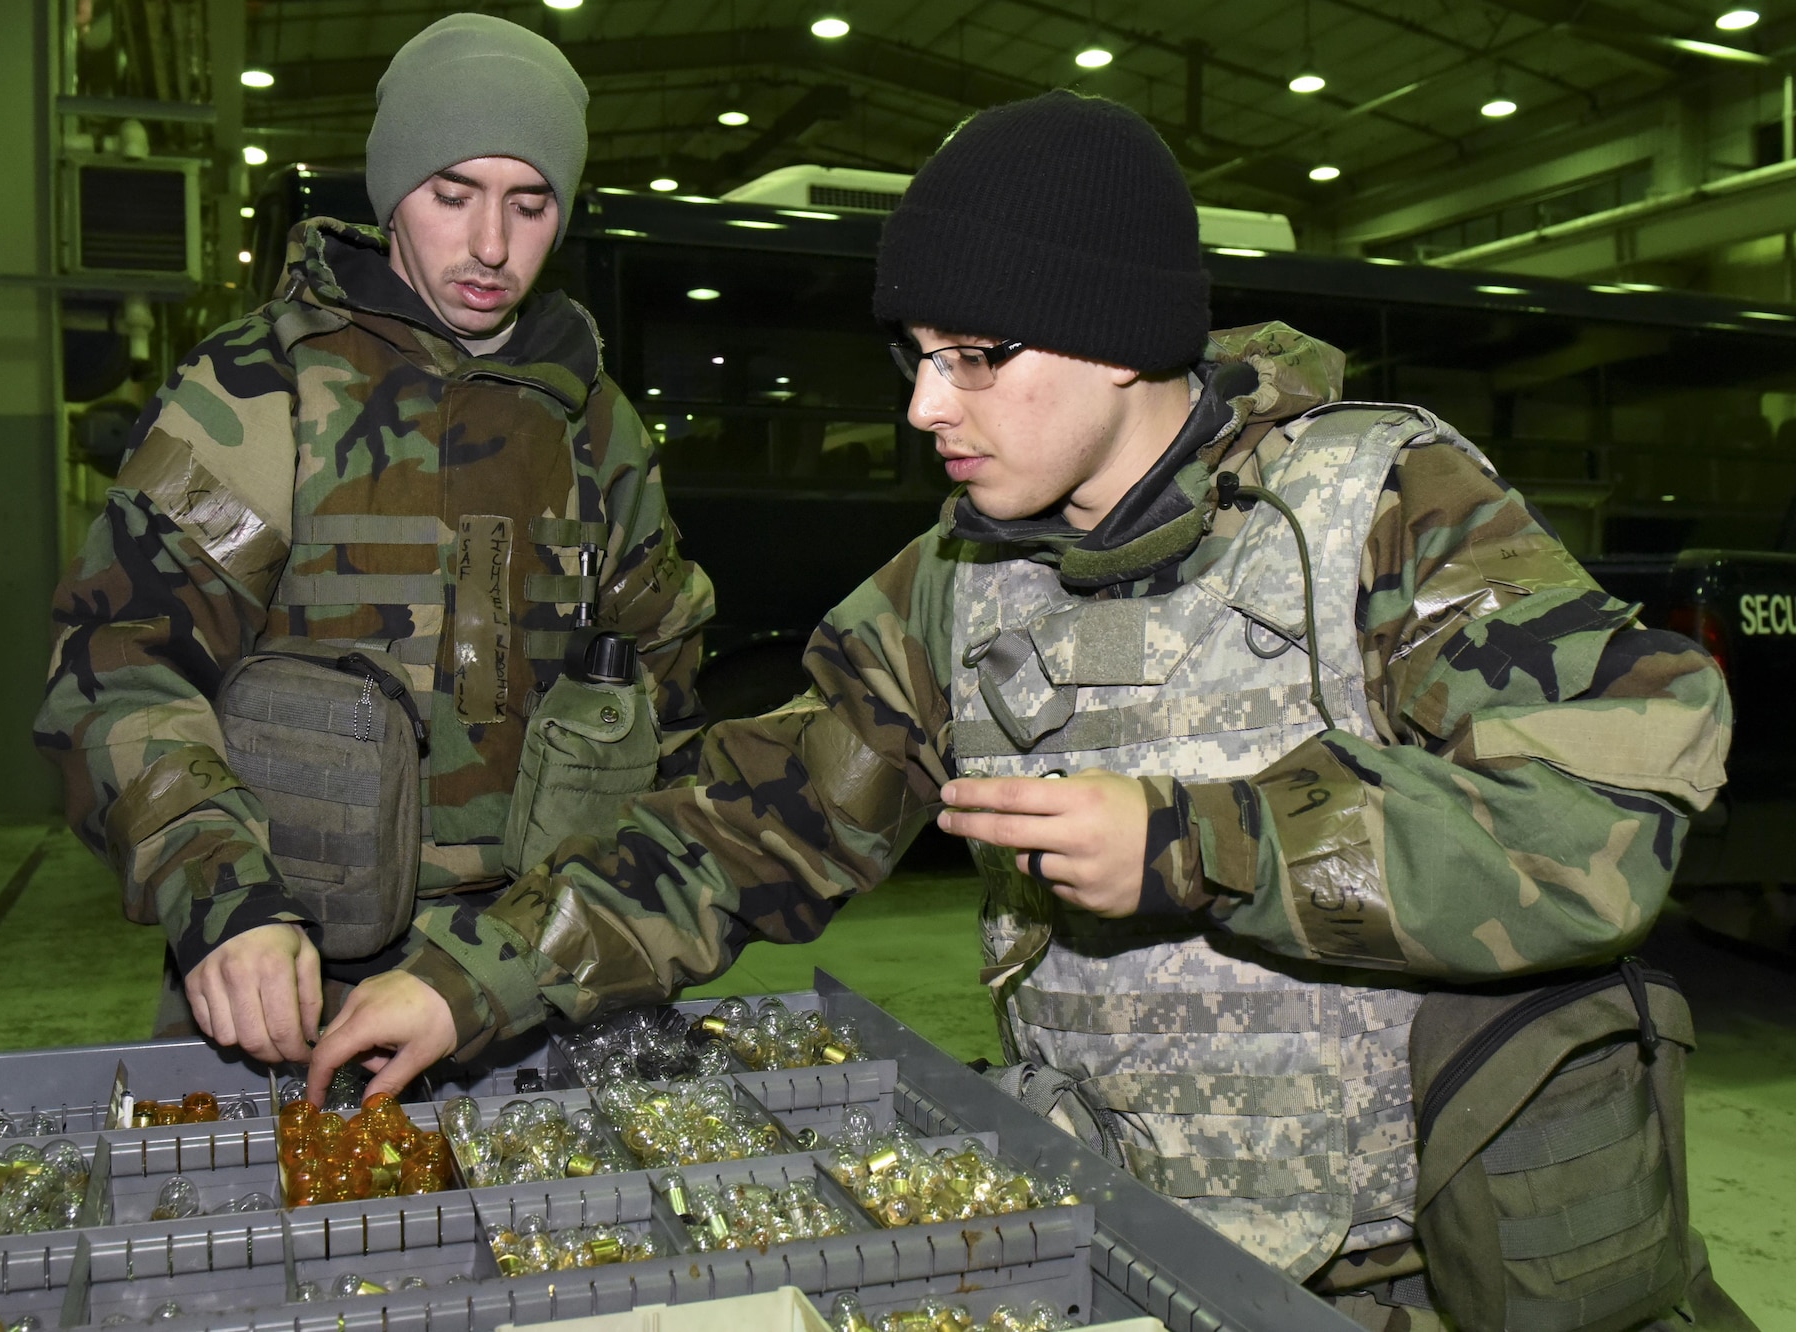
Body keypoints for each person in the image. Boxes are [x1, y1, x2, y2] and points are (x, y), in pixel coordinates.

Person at [307, 92, 1738, 1323]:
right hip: (1107, 1245)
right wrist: (475, 972)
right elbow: (751, 825)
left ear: (1116, 338)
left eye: (976, 357)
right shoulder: (959, 582)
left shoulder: (1376, 511)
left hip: (1397, 1279)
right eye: (916, 355)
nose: (928, 405)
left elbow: (1604, 819)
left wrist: (1204, 843)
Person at [34, 13, 713, 1068]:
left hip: (520, 982)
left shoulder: (594, 425)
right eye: (452, 194)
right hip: (289, 974)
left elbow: (662, 696)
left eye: (529, 205)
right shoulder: (261, 390)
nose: (491, 245)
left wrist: (604, 927)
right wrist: (222, 894)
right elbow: (118, 664)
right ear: (392, 190)